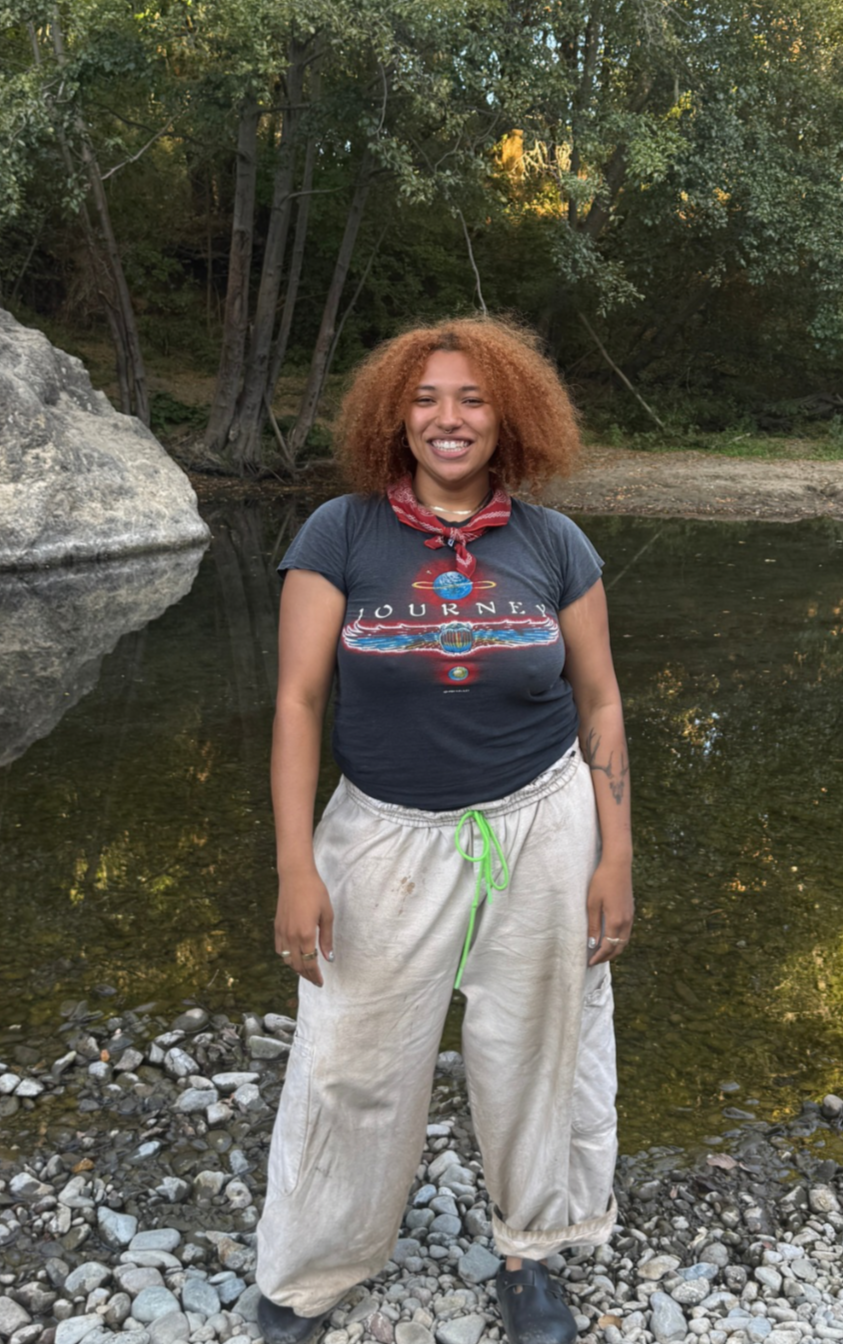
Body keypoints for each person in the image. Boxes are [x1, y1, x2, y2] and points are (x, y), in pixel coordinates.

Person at [254, 317, 634, 1344]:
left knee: (534, 1048)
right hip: (381, 832)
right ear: (395, 415)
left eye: (471, 398)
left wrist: (616, 859)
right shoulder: (338, 534)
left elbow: (599, 704)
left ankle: (531, 1251)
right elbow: (297, 703)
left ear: (509, 415)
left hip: (542, 822)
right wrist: (297, 864)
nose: (448, 418)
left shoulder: (555, 544)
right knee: (351, 1060)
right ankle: (317, 1264)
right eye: (426, 399)